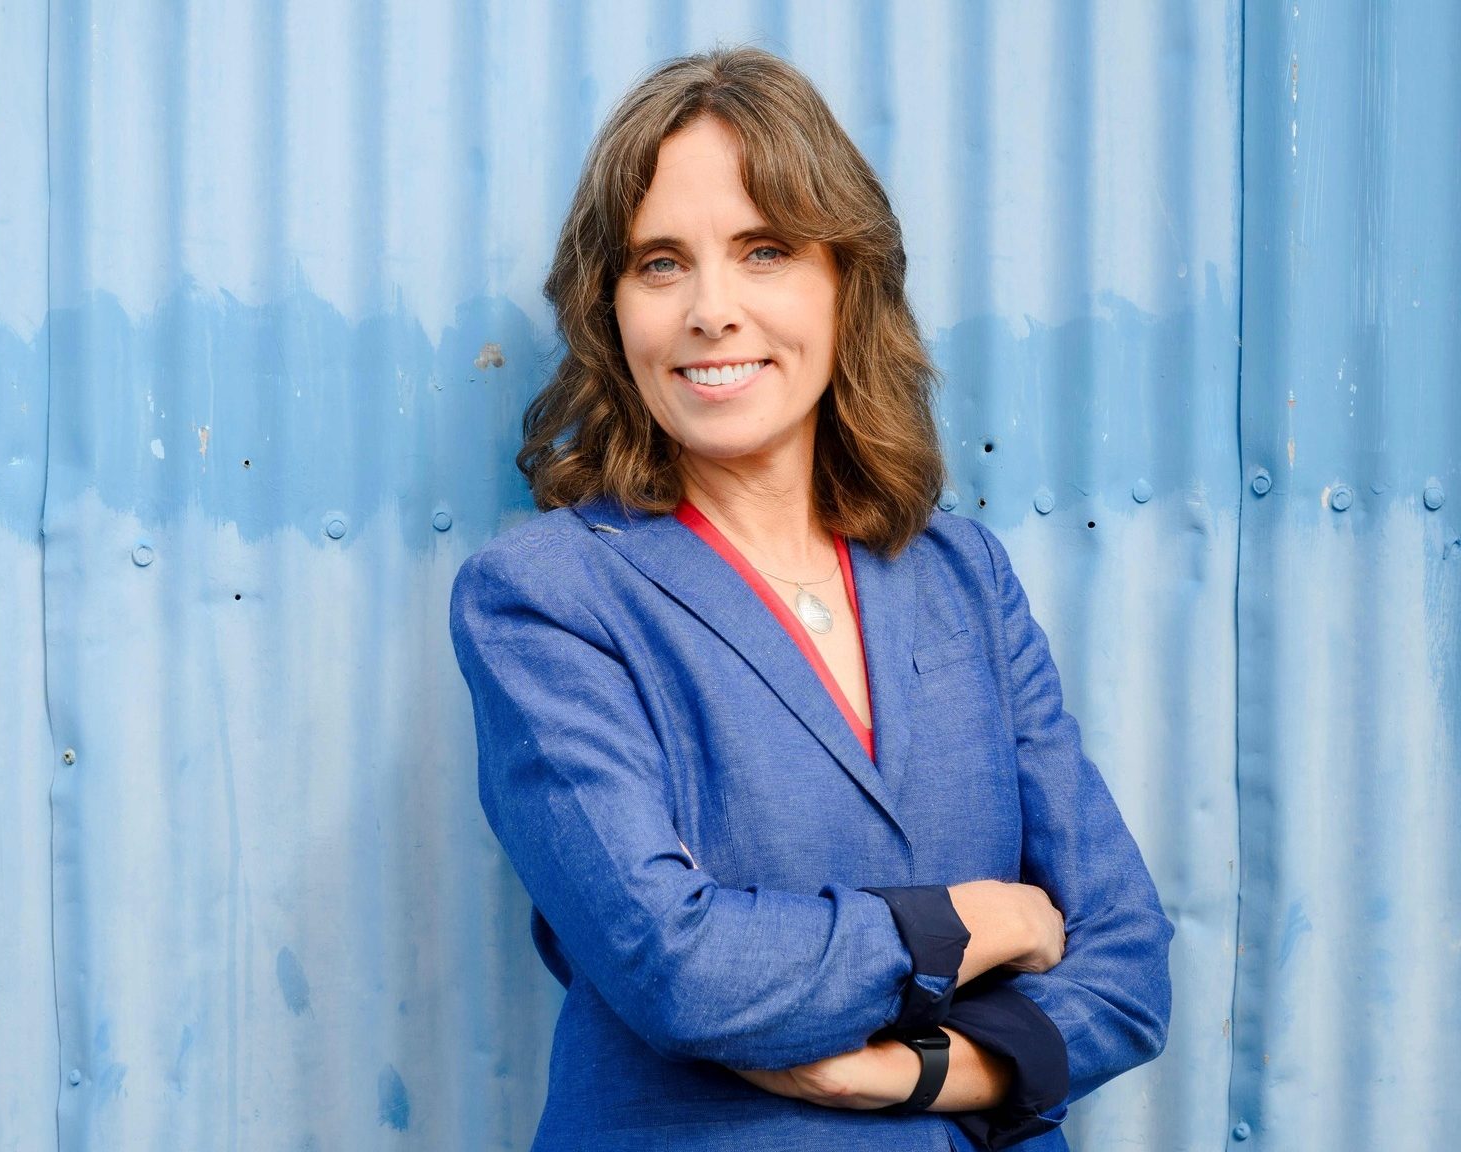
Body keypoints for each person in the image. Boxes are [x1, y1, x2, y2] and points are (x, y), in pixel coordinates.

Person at [449, 47, 1172, 1151]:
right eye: (658, 264)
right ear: (610, 311)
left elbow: (1123, 963)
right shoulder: (546, 597)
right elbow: (677, 968)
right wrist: (981, 920)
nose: (710, 310)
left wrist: (903, 1079)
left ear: (845, 280)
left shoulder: (961, 577)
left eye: (763, 251)